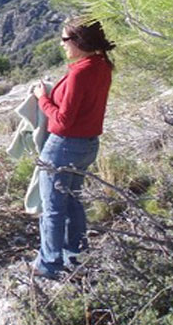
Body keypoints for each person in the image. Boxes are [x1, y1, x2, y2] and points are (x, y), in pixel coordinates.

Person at [30, 17, 116, 279]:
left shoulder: (80, 72)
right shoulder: (101, 65)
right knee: (73, 202)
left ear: (79, 41)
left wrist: (42, 98)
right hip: (88, 145)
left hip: (64, 146)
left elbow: (64, 121)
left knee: (53, 206)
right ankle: (75, 255)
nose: (62, 44)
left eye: (65, 39)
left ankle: (49, 264)